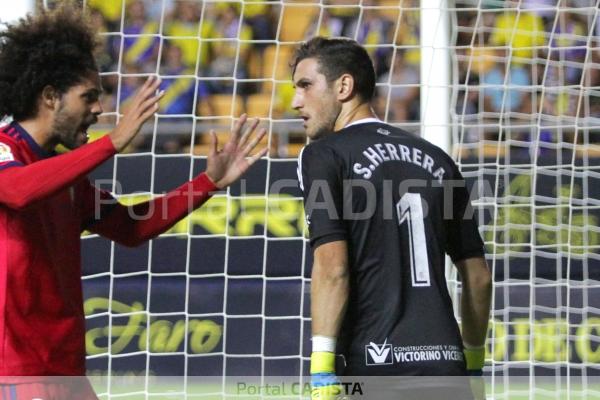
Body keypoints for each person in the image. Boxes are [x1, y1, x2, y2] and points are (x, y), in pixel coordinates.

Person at [0, 4, 266, 398]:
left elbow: (131, 226)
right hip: (18, 375)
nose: (99, 109)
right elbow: (19, 191)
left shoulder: (65, 176)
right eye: (88, 96)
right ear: (50, 97)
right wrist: (113, 142)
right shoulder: (6, 151)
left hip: (69, 373)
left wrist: (206, 183)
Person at [292, 37, 492, 399]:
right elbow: (477, 277)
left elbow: (332, 267)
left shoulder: (323, 155)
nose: (295, 101)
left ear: (344, 86)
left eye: (305, 85)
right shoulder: (440, 159)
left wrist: (321, 371)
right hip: (446, 366)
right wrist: (474, 366)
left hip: (372, 366)